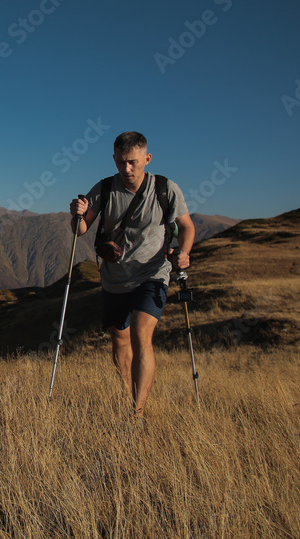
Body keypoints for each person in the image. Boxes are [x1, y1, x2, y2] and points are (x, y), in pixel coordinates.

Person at [70, 131, 194, 419]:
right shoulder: (103, 189)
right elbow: (80, 229)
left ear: (147, 159)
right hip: (114, 278)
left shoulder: (165, 188)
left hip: (153, 273)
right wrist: (77, 214)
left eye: (133, 162)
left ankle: (137, 413)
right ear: (114, 159)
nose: (127, 169)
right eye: (121, 162)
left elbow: (186, 226)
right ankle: (127, 395)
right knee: (120, 340)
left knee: (141, 334)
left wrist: (184, 252)